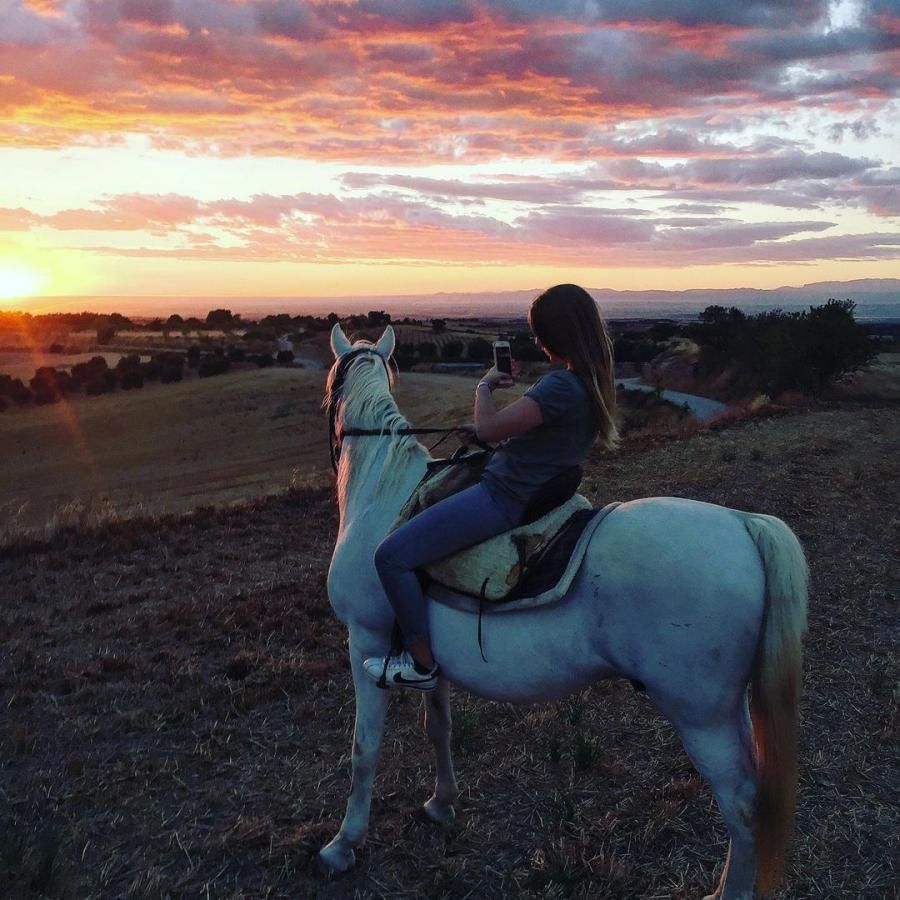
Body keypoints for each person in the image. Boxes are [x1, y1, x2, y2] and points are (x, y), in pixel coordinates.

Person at [362, 284, 618, 691]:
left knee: (390, 557)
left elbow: (488, 426)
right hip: (532, 488)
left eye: (538, 333)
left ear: (552, 336)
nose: (537, 341)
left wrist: (484, 387)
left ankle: (421, 664)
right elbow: (539, 443)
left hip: (503, 498)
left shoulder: (559, 386)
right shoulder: (591, 383)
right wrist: (490, 443)